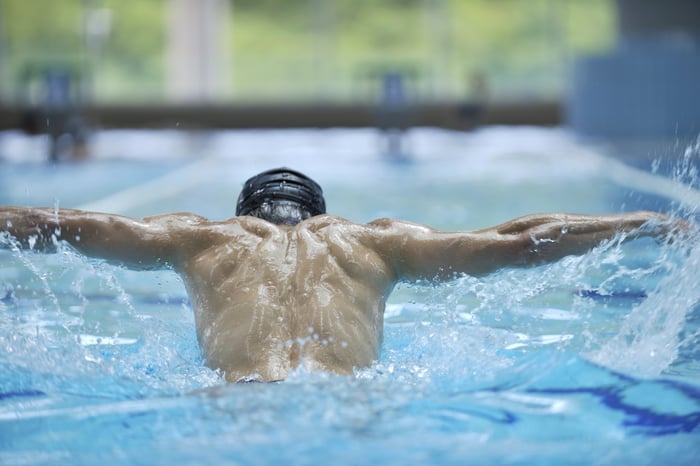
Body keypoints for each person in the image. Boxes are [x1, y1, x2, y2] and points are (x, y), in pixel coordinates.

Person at [0, 168, 682, 382]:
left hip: (234, 407)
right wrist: (643, 224)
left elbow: (75, 227)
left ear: (246, 211)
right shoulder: (374, 242)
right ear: (321, 212)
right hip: (351, 410)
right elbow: (519, 240)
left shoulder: (200, 238)